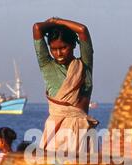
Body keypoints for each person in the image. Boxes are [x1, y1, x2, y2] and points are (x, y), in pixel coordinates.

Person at [33, 17, 98, 154]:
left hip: (81, 130)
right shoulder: (47, 65)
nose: (58, 53)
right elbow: (37, 28)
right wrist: (52, 24)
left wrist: (59, 21)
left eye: (63, 47)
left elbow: (82, 30)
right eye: (54, 49)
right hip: (56, 132)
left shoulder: (84, 65)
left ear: (74, 45)